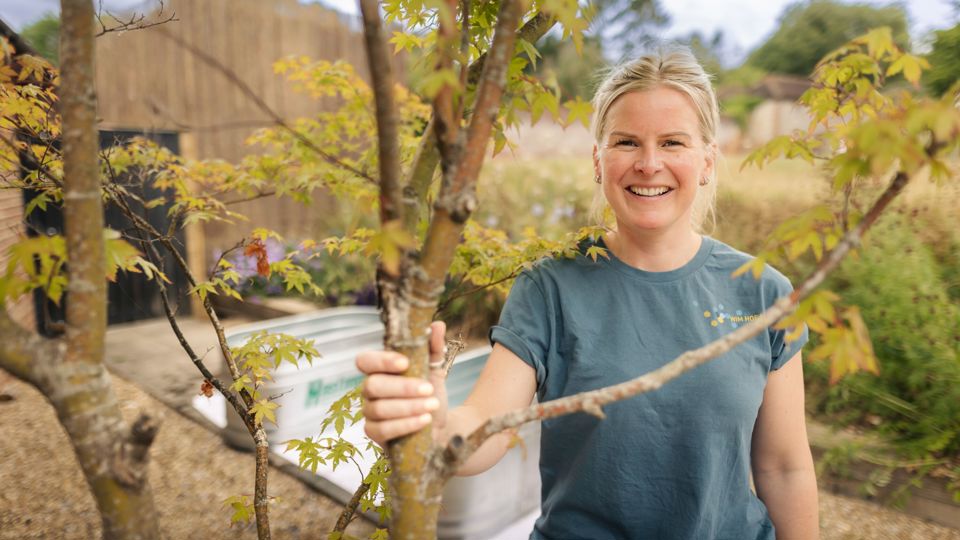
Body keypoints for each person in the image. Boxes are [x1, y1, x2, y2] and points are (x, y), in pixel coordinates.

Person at [356, 48, 819, 540]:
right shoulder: (550, 287)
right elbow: (484, 427)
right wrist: (428, 420)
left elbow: (785, 468)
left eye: (672, 142)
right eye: (626, 142)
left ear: (707, 160)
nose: (648, 163)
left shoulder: (763, 292)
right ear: (598, 161)